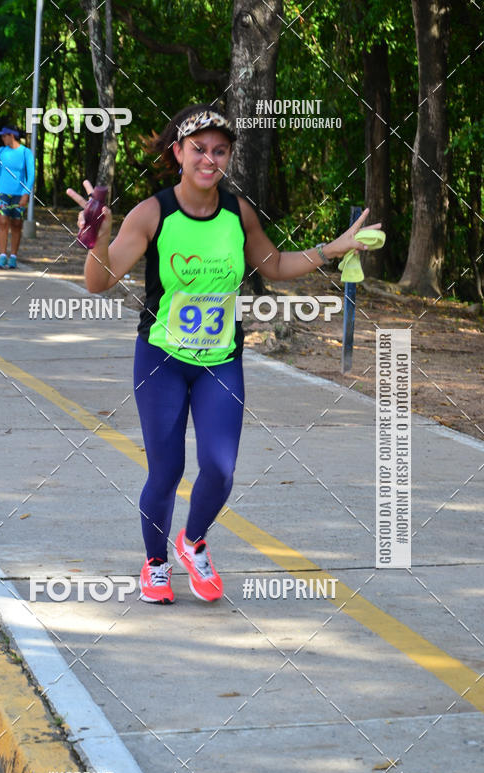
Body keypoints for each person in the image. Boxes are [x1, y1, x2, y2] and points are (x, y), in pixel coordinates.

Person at [68, 104, 380, 605]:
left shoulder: (238, 213)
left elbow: (274, 264)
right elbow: (99, 281)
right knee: (166, 471)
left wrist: (333, 248)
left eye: (219, 151)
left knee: (220, 468)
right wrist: (98, 239)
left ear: (229, 156)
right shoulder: (154, 213)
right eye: (199, 149)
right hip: (162, 360)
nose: (209, 159)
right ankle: (154, 565)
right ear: (178, 153)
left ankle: (193, 542)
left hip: (220, 360)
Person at [0, 125, 35, 269]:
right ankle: (2, 255)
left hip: (19, 193)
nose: (2, 138)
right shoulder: (1, 151)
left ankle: (13, 256)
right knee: (2, 221)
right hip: (2, 191)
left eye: (4, 136)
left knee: (16, 224)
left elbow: (31, 175)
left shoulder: (25, 152)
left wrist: (26, 194)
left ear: (12, 136)